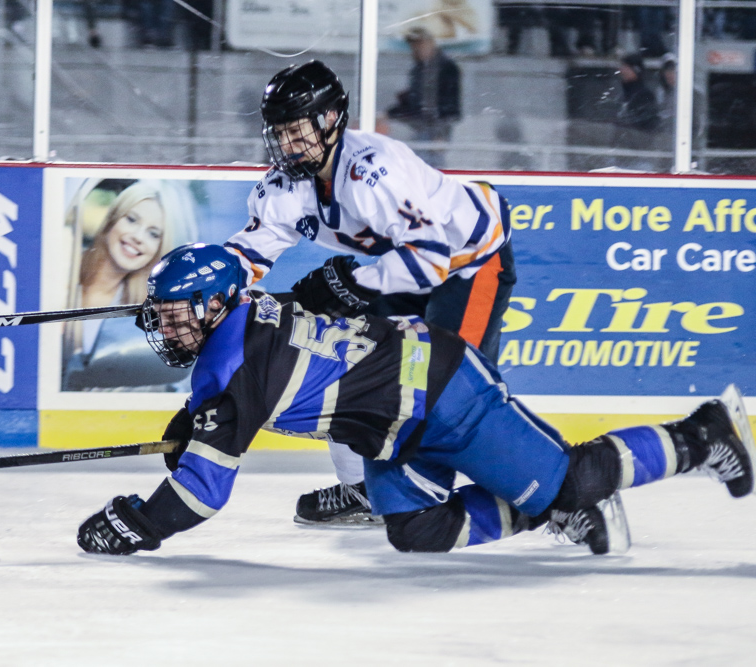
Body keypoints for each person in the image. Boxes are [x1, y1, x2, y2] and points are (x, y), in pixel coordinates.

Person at [76, 244, 755, 557]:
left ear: (214, 304)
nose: (166, 328)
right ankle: (545, 505)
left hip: (444, 391)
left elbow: (201, 492)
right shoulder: (243, 323)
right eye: (161, 317)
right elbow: (217, 408)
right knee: (418, 531)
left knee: (574, 476)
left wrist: (137, 525)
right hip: (394, 426)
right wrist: (193, 424)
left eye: (174, 315)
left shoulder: (234, 371)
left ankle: (705, 434)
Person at [222, 60, 516, 526]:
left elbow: (432, 258)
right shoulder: (285, 185)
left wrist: (352, 286)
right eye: (278, 132)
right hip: (403, 264)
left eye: (297, 131)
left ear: (331, 120)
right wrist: (202, 287)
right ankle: (363, 488)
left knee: (452, 387)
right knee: (348, 364)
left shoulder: (374, 171)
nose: (286, 144)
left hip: (468, 259)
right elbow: (249, 252)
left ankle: (552, 486)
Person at [61, 180, 197, 391]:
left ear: (158, 249)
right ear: (112, 219)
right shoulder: (62, 270)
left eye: (153, 234)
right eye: (132, 220)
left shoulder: (144, 313)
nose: (137, 237)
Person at [386, 27, 461, 168]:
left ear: (430, 43)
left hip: (436, 129)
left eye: (420, 44)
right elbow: (416, 101)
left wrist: (442, 134)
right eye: (413, 45)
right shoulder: (418, 69)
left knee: (433, 167)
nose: (416, 49)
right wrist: (391, 112)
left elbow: (448, 103)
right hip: (420, 127)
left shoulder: (446, 67)